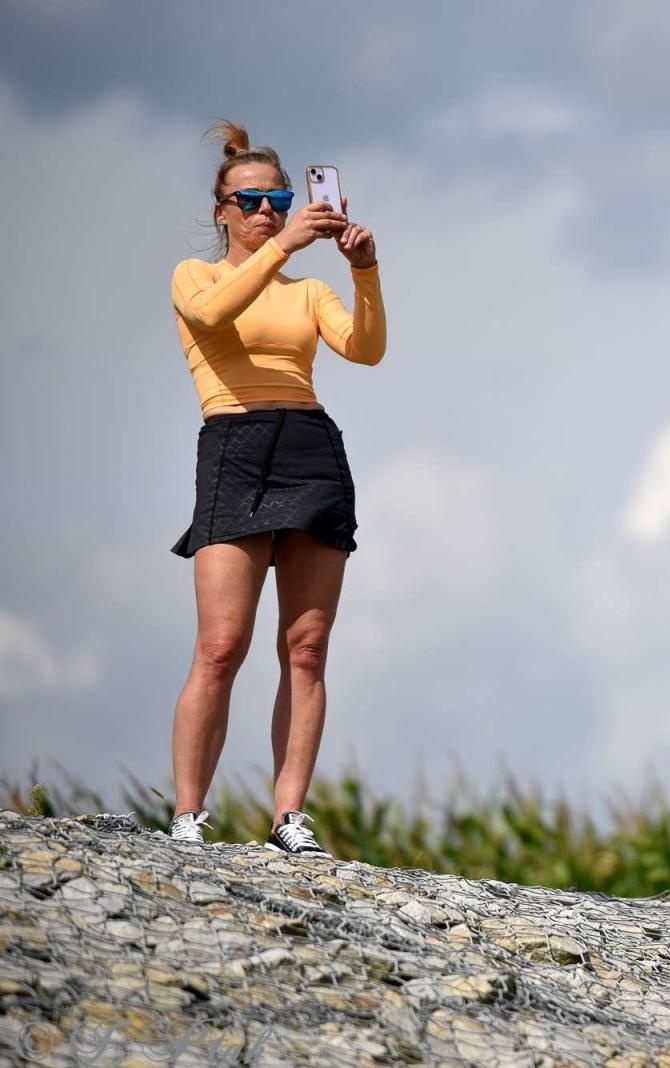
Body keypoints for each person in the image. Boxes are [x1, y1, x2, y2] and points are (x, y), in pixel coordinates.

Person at [165, 120, 385, 857]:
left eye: (278, 200)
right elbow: (212, 315)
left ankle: (289, 815)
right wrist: (283, 248)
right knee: (222, 644)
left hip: (310, 448)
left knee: (308, 644)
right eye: (250, 200)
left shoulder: (309, 288)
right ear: (221, 209)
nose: (265, 212)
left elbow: (366, 350)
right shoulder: (194, 277)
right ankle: (189, 814)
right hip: (235, 442)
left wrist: (365, 270)